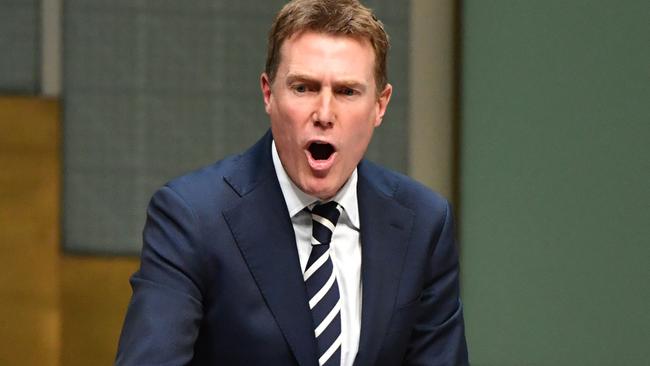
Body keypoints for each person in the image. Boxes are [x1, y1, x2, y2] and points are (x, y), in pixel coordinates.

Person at [115, 0, 468, 365]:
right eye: (304, 88)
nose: (325, 114)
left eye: (348, 91)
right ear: (269, 94)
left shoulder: (423, 222)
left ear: (380, 105)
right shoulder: (192, 217)